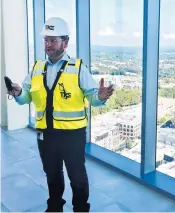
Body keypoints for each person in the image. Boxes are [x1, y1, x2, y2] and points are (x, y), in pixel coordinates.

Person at [7, 17, 114, 212]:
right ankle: (54, 207)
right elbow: (26, 98)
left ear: (65, 43)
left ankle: (81, 208)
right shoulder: (37, 68)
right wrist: (17, 93)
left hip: (72, 134)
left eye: (53, 40)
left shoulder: (78, 68)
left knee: (77, 176)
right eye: (46, 40)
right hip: (46, 133)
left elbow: (94, 99)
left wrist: (100, 97)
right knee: (52, 174)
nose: (48, 45)